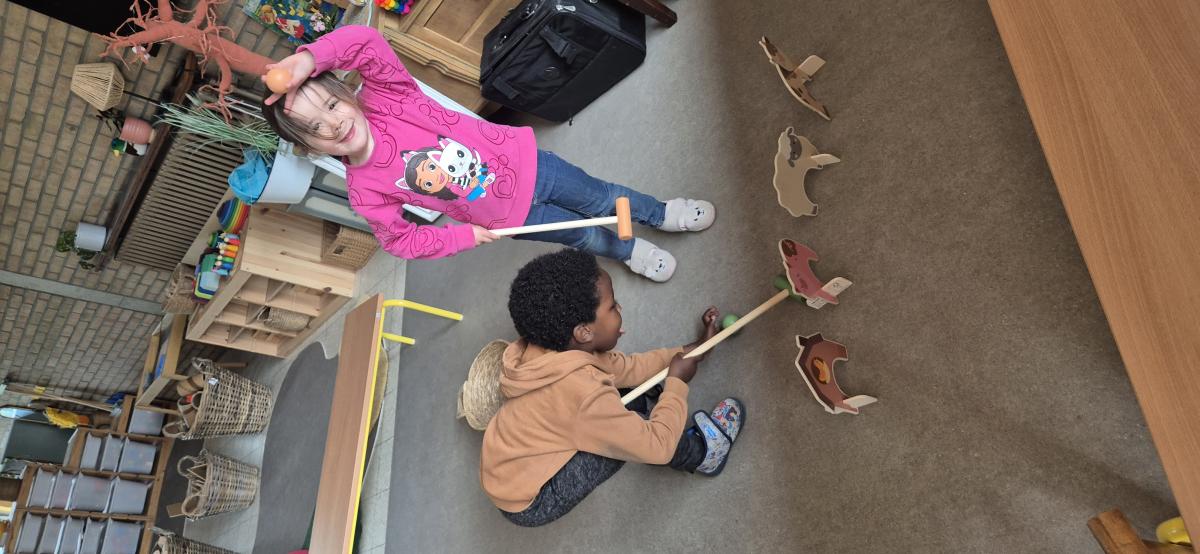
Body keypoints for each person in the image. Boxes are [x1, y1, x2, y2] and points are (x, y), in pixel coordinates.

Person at [260, 25, 715, 282]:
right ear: (309, 147)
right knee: (583, 236)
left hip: (532, 167)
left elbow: (365, 42)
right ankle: (629, 250)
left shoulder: (387, 96)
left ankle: (660, 212)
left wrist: (307, 61)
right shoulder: (364, 191)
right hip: (508, 218)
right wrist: (459, 238)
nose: (333, 124)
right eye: (315, 129)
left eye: (332, 105)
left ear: (346, 93)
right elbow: (399, 241)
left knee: (602, 197)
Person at [481, 249, 746, 526]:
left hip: (509, 458)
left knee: (618, 394)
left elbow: (624, 368)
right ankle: (704, 454)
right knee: (626, 435)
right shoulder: (583, 396)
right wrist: (676, 384)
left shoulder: (556, 344)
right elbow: (657, 447)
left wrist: (693, 351)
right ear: (584, 332)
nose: (620, 309)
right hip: (530, 498)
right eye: (612, 306)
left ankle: (643, 405)